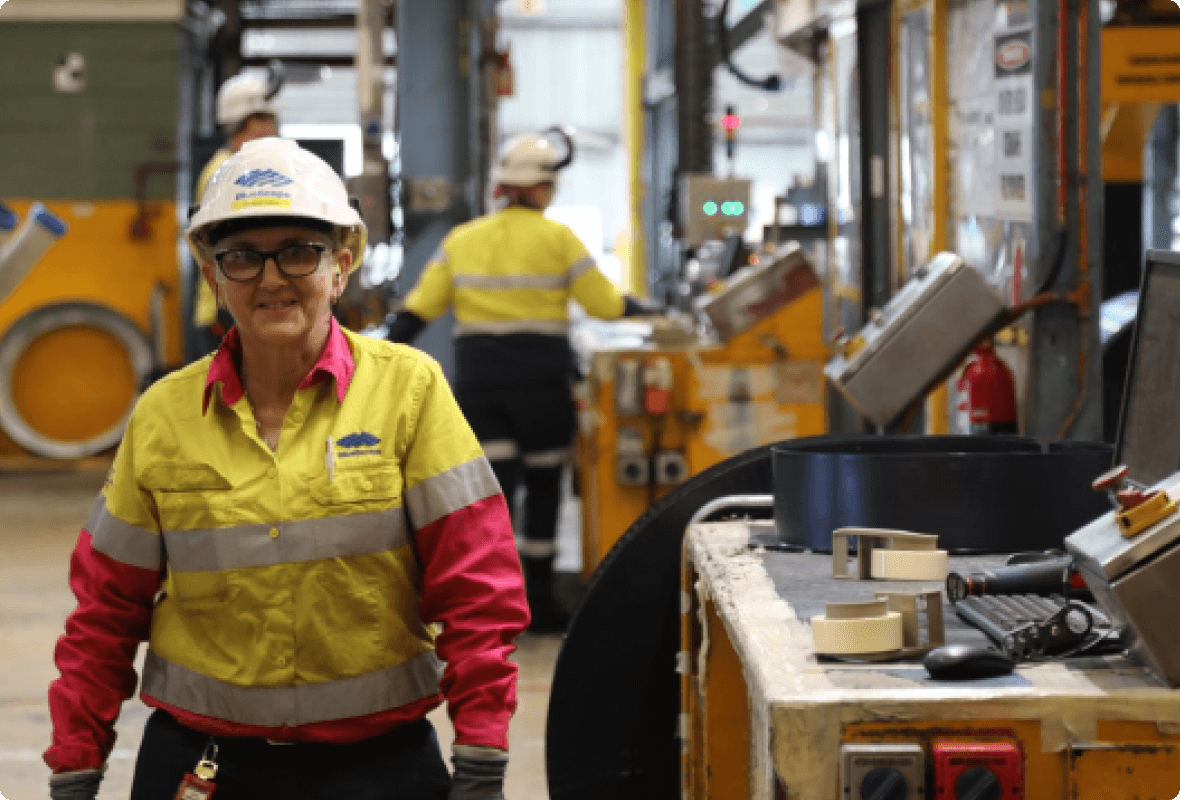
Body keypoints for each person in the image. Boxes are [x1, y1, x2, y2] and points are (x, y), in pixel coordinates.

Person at [45, 137, 529, 800]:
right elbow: (106, 608)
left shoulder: (409, 391)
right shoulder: (164, 415)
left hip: (379, 770)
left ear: (342, 265)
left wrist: (480, 755)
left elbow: (477, 588)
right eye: (242, 257)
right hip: (204, 768)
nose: (271, 278)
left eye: (299, 251)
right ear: (212, 276)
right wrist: (76, 764)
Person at [386, 128, 657, 633]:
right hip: (542, 385)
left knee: (492, 495)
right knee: (545, 487)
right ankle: (540, 602)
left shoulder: (461, 240)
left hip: (482, 386)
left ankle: (490, 606)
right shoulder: (559, 240)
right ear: (540, 189)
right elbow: (603, 305)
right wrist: (650, 310)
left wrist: (375, 352)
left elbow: (417, 312)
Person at [191, 68, 284, 358]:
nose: (272, 128)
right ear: (242, 123)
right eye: (264, 118)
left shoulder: (249, 169)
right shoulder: (229, 172)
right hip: (227, 307)